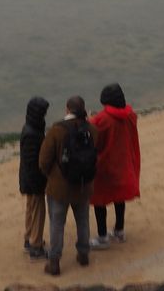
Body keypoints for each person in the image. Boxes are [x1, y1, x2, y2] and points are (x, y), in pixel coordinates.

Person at [39, 95, 98, 276]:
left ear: (67, 109)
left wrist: (52, 175)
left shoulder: (57, 130)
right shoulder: (92, 130)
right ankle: (83, 254)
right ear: (83, 109)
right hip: (83, 184)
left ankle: (55, 261)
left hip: (60, 187)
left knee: (57, 223)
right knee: (83, 220)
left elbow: (44, 160)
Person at [89, 83, 141, 248]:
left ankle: (102, 237)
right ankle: (119, 231)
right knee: (119, 198)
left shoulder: (102, 119)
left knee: (99, 200)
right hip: (123, 162)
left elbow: (93, 135)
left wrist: (90, 119)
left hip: (105, 164)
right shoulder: (130, 115)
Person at [19, 96, 49, 259]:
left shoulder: (30, 128)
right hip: (33, 180)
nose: (45, 115)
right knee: (38, 212)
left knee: (31, 210)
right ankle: (36, 246)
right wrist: (38, 183)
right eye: (43, 113)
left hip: (29, 179)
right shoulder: (32, 134)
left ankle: (29, 239)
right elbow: (31, 162)